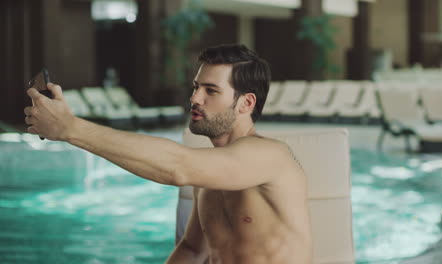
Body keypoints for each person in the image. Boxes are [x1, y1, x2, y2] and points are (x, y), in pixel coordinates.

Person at [24, 44, 312, 263]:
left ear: (246, 103)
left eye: (211, 91)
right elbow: (193, 249)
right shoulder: (210, 174)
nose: (194, 98)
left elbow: (177, 167)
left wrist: (70, 128)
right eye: (196, 87)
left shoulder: (270, 155)